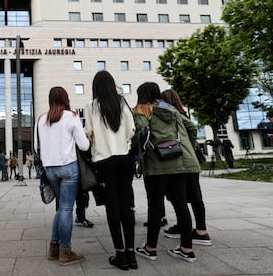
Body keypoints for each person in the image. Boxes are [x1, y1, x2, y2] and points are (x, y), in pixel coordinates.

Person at [134, 82, 200, 263]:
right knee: (181, 205)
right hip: (178, 162)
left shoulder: (141, 111)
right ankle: (187, 249)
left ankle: (150, 248)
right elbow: (192, 127)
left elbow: (139, 134)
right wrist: (187, 148)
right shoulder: (171, 109)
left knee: (155, 207)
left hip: (156, 166)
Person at [84, 71, 137, 270]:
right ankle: (132, 254)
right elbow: (132, 130)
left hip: (103, 161)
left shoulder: (91, 106)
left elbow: (88, 133)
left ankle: (120, 255)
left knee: (112, 207)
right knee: (126, 205)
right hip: (124, 159)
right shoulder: (122, 102)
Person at [34, 86, 90, 266]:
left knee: (61, 208)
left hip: (50, 169)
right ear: (66, 99)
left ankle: (53, 248)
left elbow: (36, 148)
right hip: (68, 168)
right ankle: (65, 251)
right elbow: (84, 146)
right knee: (66, 208)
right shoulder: (71, 117)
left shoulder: (41, 120)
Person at [160, 89, 211, 246]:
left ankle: (197, 231)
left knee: (182, 197)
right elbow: (192, 129)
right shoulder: (181, 114)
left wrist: (186, 144)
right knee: (192, 196)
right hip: (190, 161)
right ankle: (193, 229)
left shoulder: (175, 115)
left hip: (184, 161)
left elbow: (193, 129)